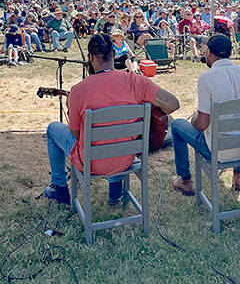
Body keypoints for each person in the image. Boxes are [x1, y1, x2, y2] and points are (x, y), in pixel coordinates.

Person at [43, 34, 181, 206]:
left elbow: (76, 134)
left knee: (52, 129)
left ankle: (60, 189)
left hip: (91, 161)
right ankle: (115, 191)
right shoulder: (136, 82)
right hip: (125, 159)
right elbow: (173, 104)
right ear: (114, 56)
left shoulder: (78, 91)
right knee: (118, 135)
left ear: (91, 57)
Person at [170, 34, 240, 196]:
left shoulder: (206, 78)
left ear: (209, 53)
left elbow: (201, 124)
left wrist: (196, 116)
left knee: (176, 126)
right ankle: (239, 174)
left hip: (217, 150)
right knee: (238, 122)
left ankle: (184, 180)